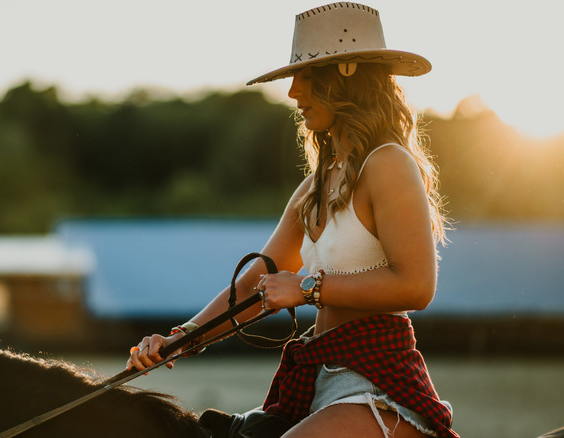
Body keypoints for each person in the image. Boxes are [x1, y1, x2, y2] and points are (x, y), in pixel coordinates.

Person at [127, 3, 458, 438]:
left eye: (306, 77)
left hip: (379, 384)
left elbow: (416, 286)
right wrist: (178, 340)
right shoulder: (313, 187)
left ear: (346, 76)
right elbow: (254, 284)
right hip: (318, 380)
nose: (292, 94)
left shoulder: (389, 164)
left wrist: (305, 289)